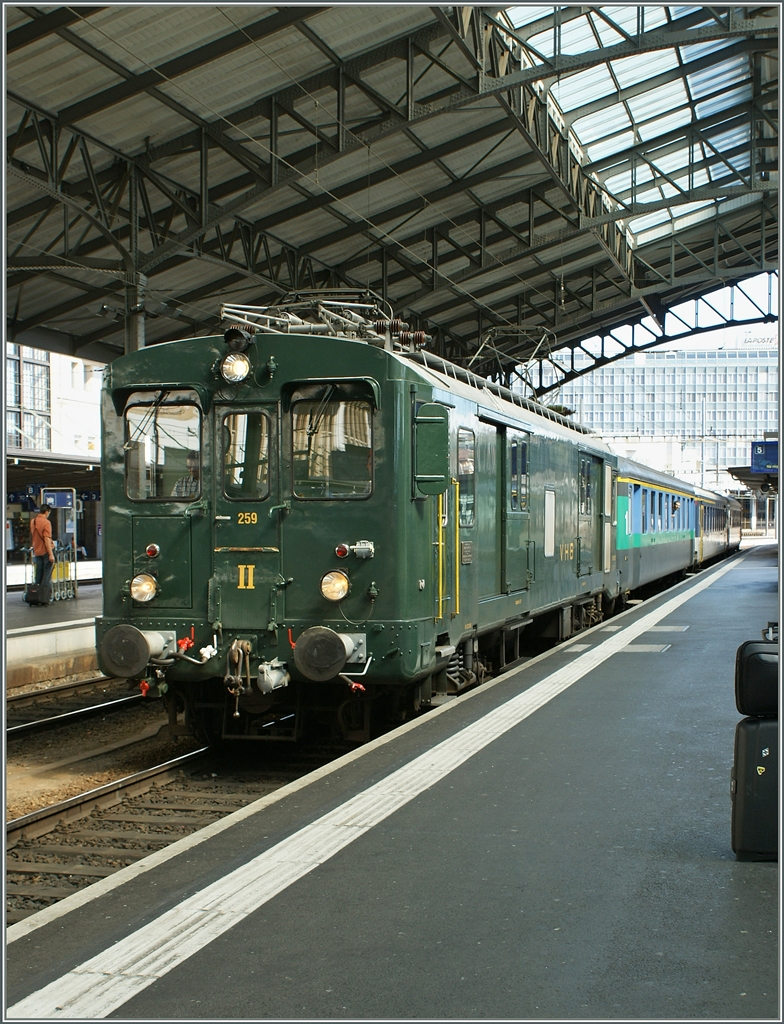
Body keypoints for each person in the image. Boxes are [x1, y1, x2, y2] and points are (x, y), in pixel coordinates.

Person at [30, 504, 55, 589]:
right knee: (46, 575)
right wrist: (51, 554)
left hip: (37, 551)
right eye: (49, 512)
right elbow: (46, 539)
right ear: (46, 512)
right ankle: (45, 595)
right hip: (45, 551)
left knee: (38, 574)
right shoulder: (46, 522)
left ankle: (37, 593)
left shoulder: (33, 521)